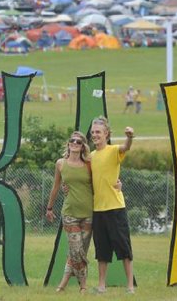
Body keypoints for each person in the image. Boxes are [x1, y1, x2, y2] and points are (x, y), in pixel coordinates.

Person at [90, 116, 135, 294]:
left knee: (124, 247)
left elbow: (126, 147)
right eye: (93, 132)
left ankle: (130, 286)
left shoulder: (114, 150)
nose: (95, 135)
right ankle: (101, 286)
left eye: (98, 132)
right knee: (102, 250)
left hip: (115, 208)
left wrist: (130, 137)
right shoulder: (90, 156)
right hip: (98, 209)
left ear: (106, 134)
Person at [46, 131, 94, 293]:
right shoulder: (60, 163)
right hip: (69, 213)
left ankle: (63, 284)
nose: (74, 143)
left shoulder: (89, 164)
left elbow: (98, 184)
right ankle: (83, 286)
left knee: (80, 251)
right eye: (72, 141)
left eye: (78, 142)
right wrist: (49, 208)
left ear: (83, 146)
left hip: (89, 214)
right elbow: (56, 187)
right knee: (76, 249)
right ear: (68, 144)